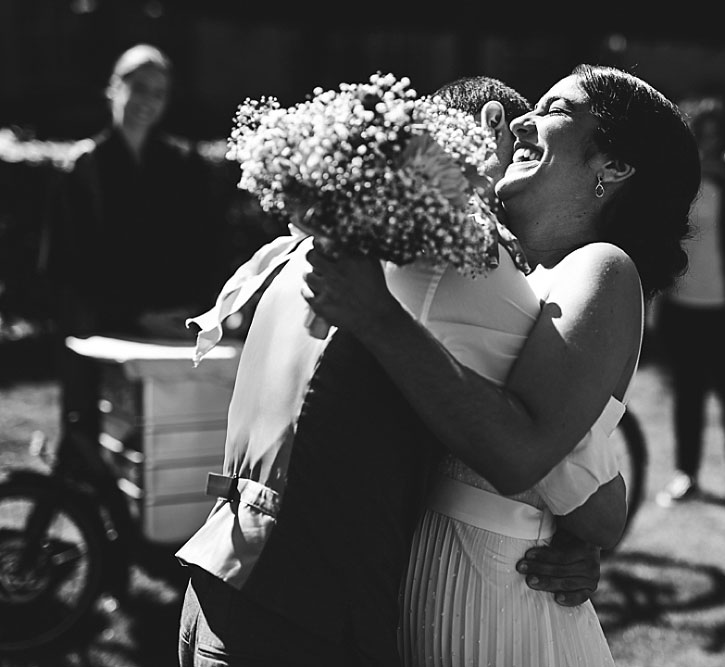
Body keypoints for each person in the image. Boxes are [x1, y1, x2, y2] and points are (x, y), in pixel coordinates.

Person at [175, 76, 615, 667]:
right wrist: (582, 536)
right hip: (301, 617)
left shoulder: (319, 241)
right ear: (484, 129)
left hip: (221, 586)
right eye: (518, 152)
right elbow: (583, 493)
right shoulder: (450, 258)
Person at [302, 64, 702, 666]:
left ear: (614, 165)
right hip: (421, 580)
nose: (521, 120)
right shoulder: (505, 272)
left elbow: (520, 452)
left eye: (555, 109)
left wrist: (378, 318)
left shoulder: (601, 268)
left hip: (503, 600)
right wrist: (586, 521)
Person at [48, 44, 224, 448]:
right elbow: (66, 270)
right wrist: (135, 316)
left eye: (159, 92)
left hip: (169, 338)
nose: (148, 100)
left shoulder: (185, 168)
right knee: (96, 457)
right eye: (139, 87)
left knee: (162, 459)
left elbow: (204, 252)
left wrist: (192, 317)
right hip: (102, 338)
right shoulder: (83, 168)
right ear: (114, 88)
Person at [651, 96, 725, 509]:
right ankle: (687, 475)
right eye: (704, 132)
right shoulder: (679, 182)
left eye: (718, 134)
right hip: (685, 306)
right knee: (688, 395)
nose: (711, 141)